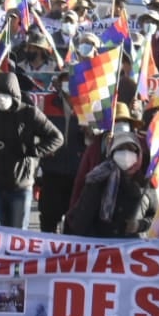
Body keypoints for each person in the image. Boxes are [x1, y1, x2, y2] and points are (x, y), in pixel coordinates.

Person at [0, 71, 64, 230]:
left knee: (18, 235)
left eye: (5, 94)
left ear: (14, 94)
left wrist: (33, 151)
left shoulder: (29, 113)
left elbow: (57, 137)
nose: (1, 98)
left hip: (21, 185)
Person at [64, 131, 156, 239]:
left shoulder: (146, 184)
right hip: (102, 248)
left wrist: (139, 225)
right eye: (121, 149)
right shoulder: (98, 179)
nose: (126, 154)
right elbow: (81, 222)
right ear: (112, 153)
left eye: (131, 149)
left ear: (139, 154)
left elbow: (156, 218)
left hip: (133, 249)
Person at [37, 71, 88, 233]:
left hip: (78, 170)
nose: (68, 84)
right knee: (48, 218)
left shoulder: (88, 105)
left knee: (74, 220)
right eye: (65, 80)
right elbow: (37, 131)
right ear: (59, 83)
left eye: (73, 80)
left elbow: (93, 139)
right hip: (52, 169)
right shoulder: (47, 102)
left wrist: (88, 131)